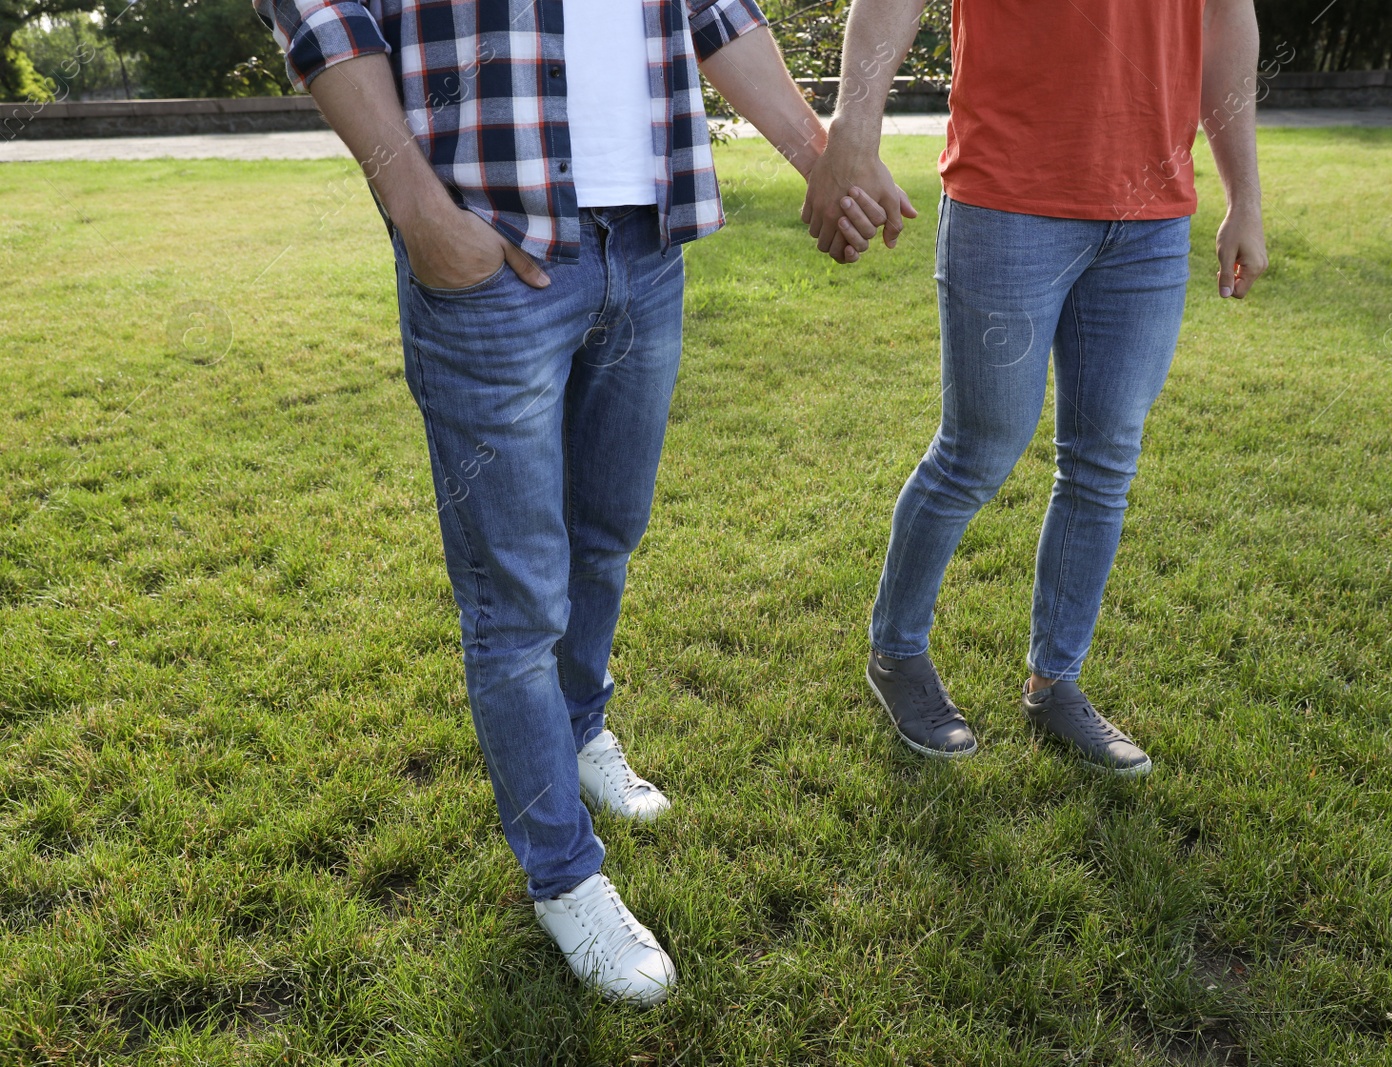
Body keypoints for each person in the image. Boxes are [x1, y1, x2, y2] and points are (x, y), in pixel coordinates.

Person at [254, 0, 899, 1005]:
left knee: (606, 535)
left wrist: (820, 154)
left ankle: (582, 723)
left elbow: (714, 12)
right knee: (515, 605)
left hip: (644, 243)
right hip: (490, 245)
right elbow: (321, 13)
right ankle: (563, 873)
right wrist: (419, 213)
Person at [803, 0, 1269, 771]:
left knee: (1104, 461)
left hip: (1151, 217)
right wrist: (854, 130)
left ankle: (1056, 682)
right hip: (1008, 199)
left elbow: (1227, 21)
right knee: (976, 452)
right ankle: (896, 652)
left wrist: (1243, 199)